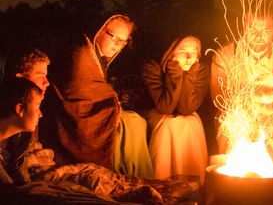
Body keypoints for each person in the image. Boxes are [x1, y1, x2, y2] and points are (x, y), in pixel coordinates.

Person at [0, 77, 200, 204]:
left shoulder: (16, 139)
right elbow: (15, 193)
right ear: (19, 109)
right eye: (36, 108)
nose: (41, 115)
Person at [38, 15, 153, 178]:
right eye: (114, 38)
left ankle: (137, 174)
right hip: (72, 119)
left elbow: (98, 91)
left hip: (94, 112)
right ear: (98, 30)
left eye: (123, 42)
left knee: (137, 122)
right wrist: (113, 102)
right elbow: (81, 93)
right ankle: (128, 174)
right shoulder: (81, 54)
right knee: (134, 124)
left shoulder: (98, 58)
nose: (117, 46)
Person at [210, 13, 273, 162]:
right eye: (253, 29)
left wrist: (270, 103)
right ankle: (236, 178)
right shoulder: (225, 55)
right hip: (243, 112)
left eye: (265, 30)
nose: (258, 35)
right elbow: (220, 96)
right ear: (244, 25)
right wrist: (248, 103)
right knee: (233, 120)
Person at [142, 35, 210, 183]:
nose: (189, 57)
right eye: (183, 51)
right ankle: (163, 180)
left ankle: (192, 182)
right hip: (158, 113)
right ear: (171, 52)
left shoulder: (201, 69)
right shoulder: (153, 67)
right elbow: (165, 107)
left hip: (187, 114)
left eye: (194, 51)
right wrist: (175, 74)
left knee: (191, 123)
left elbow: (187, 108)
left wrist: (189, 75)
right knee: (168, 125)